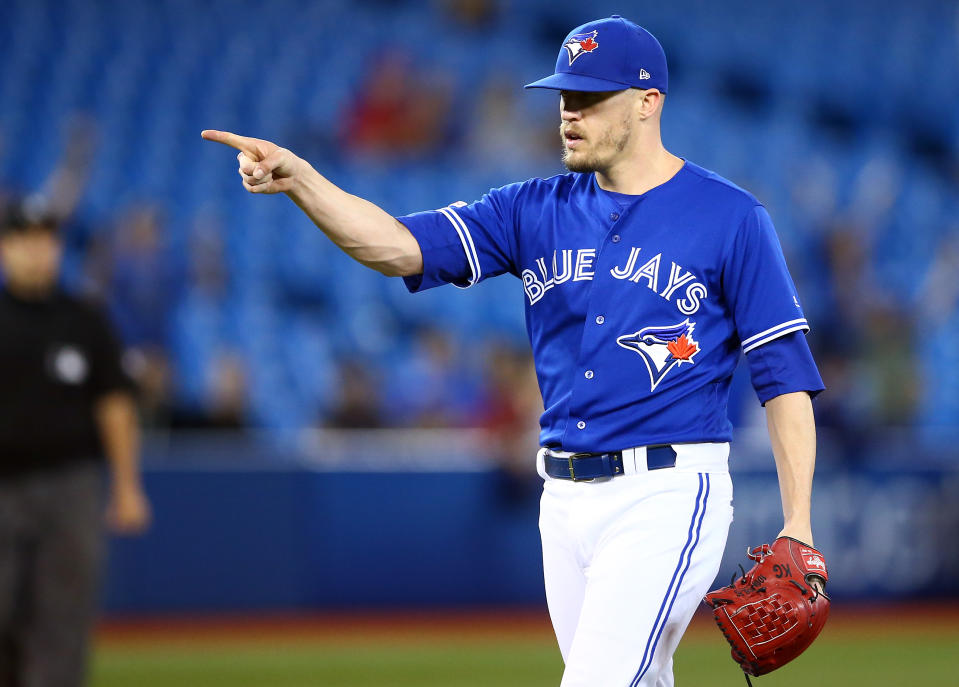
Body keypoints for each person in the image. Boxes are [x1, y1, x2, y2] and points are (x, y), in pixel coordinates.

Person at [202, 15, 824, 686]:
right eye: (563, 97)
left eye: (590, 98)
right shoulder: (530, 207)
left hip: (667, 492)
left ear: (648, 104)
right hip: (560, 498)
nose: (569, 113)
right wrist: (301, 179)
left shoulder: (730, 217)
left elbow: (782, 375)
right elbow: (395, 246)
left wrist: (798, 521)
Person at [0, 197, 151, 687]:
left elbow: (115, 403)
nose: (35, 250)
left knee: (63, 619)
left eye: (45, 239)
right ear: (5, 248)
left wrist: (127, 485)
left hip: (71, 486)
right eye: (23, 240)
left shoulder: (84, 318)